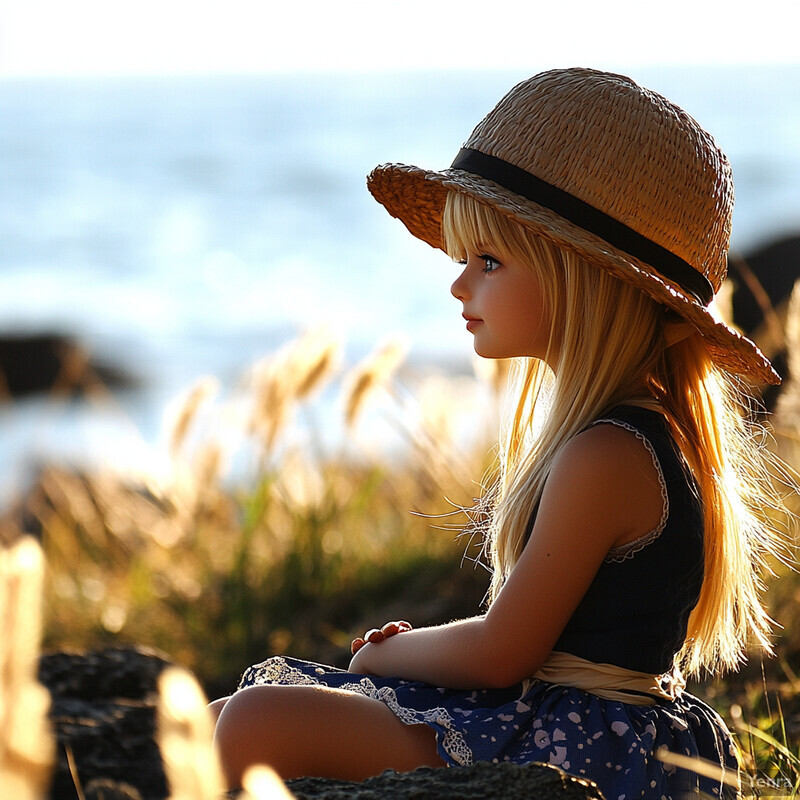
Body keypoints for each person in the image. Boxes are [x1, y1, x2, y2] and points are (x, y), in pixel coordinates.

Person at [212, 68, 792, 799]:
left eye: (489, 261)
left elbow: (500, 652)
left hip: (586, 745)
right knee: (218, 717)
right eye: (464, 261)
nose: (460, 285)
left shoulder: (609, 452)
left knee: (254, 723)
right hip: (553, 718)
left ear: (584, 278)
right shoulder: (619, 435)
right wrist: (410, 653)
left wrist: (389, 657)